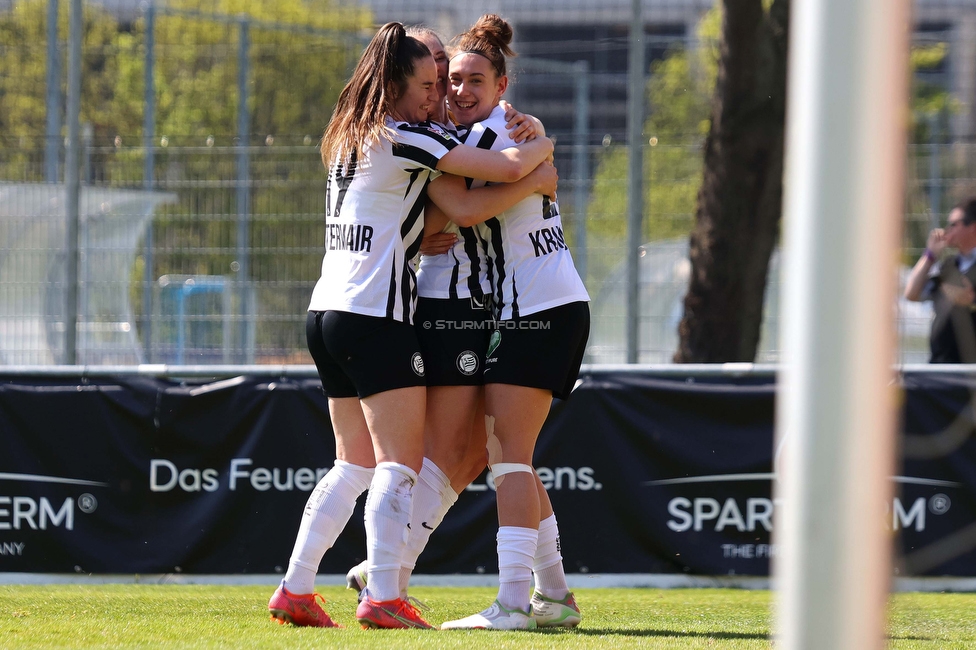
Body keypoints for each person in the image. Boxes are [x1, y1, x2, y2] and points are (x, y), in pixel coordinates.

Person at [266, 21, 556, 631]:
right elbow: (498, 172)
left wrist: (421, 233)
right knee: (398, 464)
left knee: (354, 464)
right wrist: (542, 149)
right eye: (426, 84)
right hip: (375, 316)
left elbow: (395, 222)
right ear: (395, 83)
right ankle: (385, 594)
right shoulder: (408, 136)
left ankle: (295, 587)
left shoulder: (349, 134)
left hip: (325, 312)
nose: (435, 95)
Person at [426, 15, 590, 631]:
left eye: (474, 80)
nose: (460, 91)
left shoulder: (492, 141)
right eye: (452, 81)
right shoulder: (512, 135)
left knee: (510, 460)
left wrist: (537, 153)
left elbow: (459, 214)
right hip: (548, 307)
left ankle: (514, 605)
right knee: (509, 454)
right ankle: (554, 596)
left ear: (501, 87)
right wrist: (541, 154)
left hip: (536, 312)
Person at [905, 198, 976, 363]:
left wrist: (971, 301)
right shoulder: (948, 266)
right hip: (940, 368)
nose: (946, 229)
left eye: (953, 224)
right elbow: (911, 293)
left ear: (973, 227)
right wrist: (930, 255)